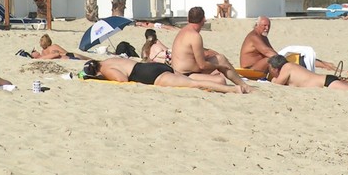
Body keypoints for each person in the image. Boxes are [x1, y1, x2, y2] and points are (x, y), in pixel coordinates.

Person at [171, 6, 250, 92]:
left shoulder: (183, 31)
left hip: (179, 72)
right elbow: (202, 65)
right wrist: (219, 65)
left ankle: (244, 85)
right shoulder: (195, 36)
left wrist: (214, 57)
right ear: (203, 20)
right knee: (220, 80)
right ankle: (244, 85)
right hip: (186, 75)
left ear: (188, 18)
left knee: (220, 59)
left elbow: (195, 52)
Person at [82, 57, 247, 94]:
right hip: (151, 67)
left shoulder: (104, 69)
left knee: (192, 85)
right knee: (190, 79)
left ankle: (234, 90)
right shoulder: (110, 59)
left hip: (150, 76)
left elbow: (122, 80)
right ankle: (219, 81)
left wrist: (103, 77)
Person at [239, 16, 339, 72]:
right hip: (250, 69)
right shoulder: (254, 37)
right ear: (257, 25)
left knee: (294, 57)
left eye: (268, 26)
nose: (267, 28)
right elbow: (268, 52)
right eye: (264, 25)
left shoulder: (263, 37)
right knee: (272, 59)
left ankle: (325, 65)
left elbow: (273, 52)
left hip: (262, 66)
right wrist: (286, 61)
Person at [267, 55, 348, 93]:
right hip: (326, 81)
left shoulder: (287, 67)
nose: (270, 72)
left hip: (326, 83)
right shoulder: (290, 66)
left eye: (270, 70)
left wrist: (271, 80)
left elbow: (277, 85)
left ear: (275, 68)